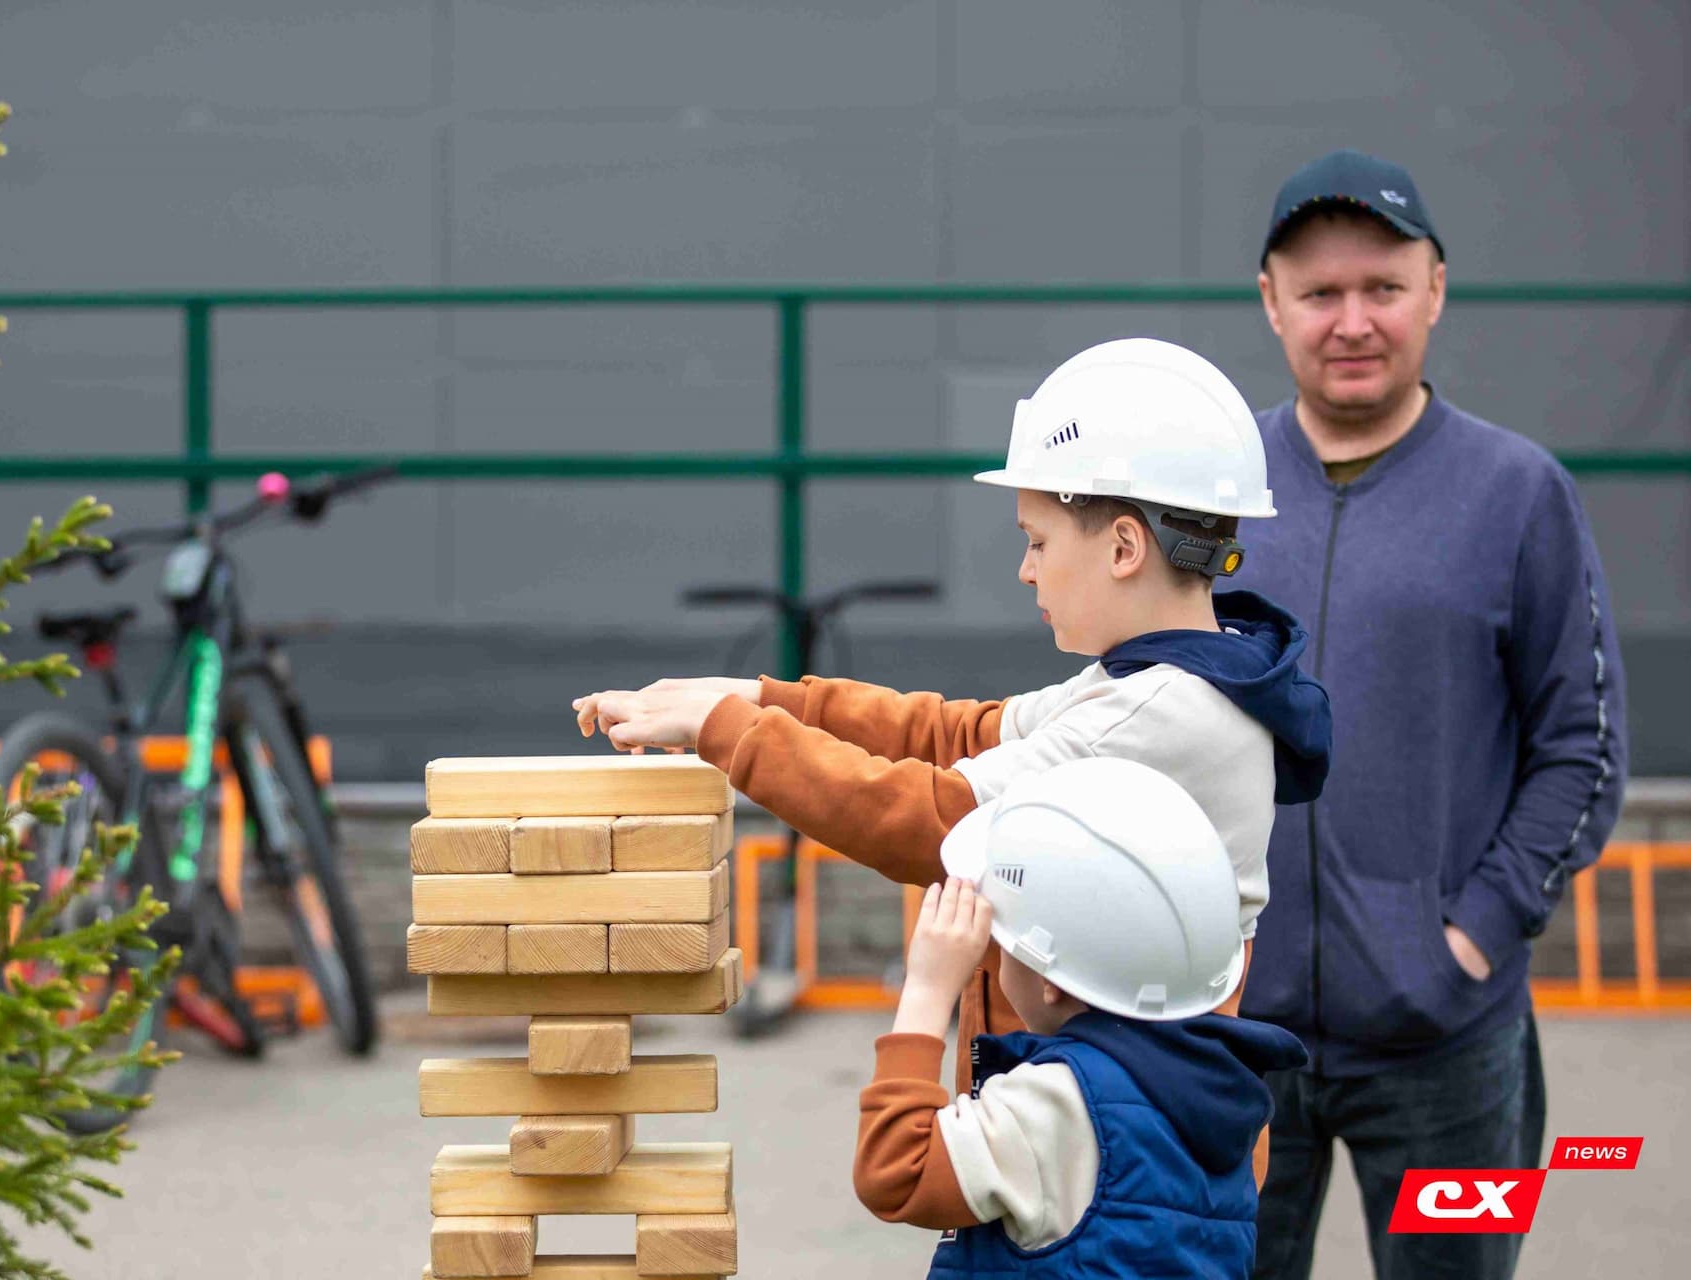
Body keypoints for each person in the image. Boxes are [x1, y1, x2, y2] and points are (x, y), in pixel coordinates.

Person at [574, 337, 1332, 1098]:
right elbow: (962, 735)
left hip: (1108, 1141)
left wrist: (730, 732)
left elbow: (934, 818)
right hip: (1106, 1111)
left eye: (1037, 541)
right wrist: (761, 698)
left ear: (1126, 546)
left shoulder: (1153, 714)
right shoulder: (1172, 677)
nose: (1026, 568)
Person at [1235, 149, 1629, 1280]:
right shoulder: (1209, 492)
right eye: (1318, 292)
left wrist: (1468, 935)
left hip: (1452, 1043)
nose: (1352, 321)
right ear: (1271, 301)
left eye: (1383, 287)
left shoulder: (1519, 492)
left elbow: (1582, 749)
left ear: (1436, 289)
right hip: (1232, 1044)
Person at [853, 760, 1308, 1277]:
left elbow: (897, 1175)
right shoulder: (1233, 1098)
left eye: (1005, 945)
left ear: (1052, 980)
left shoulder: (1056, 1105)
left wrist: (929, 989)